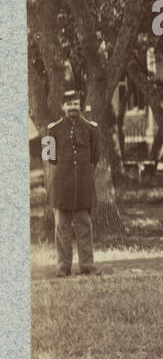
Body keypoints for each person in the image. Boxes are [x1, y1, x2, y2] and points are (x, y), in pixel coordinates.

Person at [46, 87, 101, 277]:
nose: (73, 108)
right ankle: (63, 266)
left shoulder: (91, 129)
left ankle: (87, 265)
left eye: (76, 104)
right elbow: (50, 158)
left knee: (84, 226)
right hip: (62, 187)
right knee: (62, 228)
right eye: (69, 104)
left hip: (83, 187)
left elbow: (95, 157)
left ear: (81, 106)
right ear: (63, 106)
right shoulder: (52, 130)